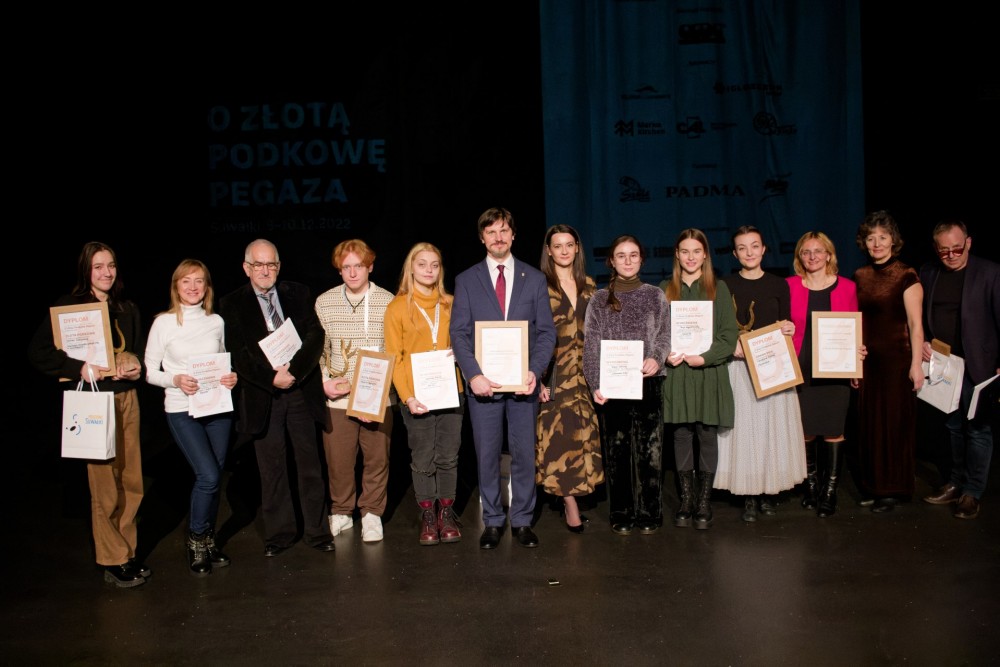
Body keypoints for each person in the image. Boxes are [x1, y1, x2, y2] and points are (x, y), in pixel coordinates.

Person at [28, 242, 149, 588]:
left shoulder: (126, 307)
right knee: (104, 485)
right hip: (95, 402)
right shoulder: (70, 307)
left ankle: (127, 552)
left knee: (131, 481)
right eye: (98, 267)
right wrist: (76, 367)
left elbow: (137, 352)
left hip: (127, 399)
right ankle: (112, 559)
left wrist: (134, 365)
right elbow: (38, 351)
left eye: (111, 265)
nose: (106, 273)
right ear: (86, 270)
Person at [218, 239, 334, 556]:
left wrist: (293, 371)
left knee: (309, 464)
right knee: (272, 468)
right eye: (258, 264)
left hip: (299, 389)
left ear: (279, 266)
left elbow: (315, 335)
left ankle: (317, 531)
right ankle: (280, 534)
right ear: (246, 268)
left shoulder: (298, 293)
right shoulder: (231, 303)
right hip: (263, 394)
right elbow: (239, 354)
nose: (265, 270)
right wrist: (272, 378)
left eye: (271, 264)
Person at [450, 207, 556, 549]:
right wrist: (473, 375)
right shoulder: (467, 280)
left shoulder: (534, 278)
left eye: (504, 230)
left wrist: (534, 371)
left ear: (513, 235)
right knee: (487, 454)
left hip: (524, 383)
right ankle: (493, 520)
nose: (498, 237)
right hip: (484, 387)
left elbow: (546, 333)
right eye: (491, 232)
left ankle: (522, 520)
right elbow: (459, 333)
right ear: (482, 238)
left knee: (524, 454)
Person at [144, 259, 239, 575]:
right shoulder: (164, 323)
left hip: (216, 408)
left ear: (207, 287)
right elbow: (149, 372)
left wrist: (230, 377)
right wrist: (175, 379)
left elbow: (223, 362)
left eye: (199, 281)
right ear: (176, 286)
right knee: (208, 475)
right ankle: (197, 540)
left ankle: (208, 540)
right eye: (186, 281)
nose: (193, 287)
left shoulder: (216, 321)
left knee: (215, 476)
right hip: (182, 409)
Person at [715, 226, 806, 522]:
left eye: (755, 246)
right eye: (742, 248)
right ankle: (749, 495)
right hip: (739, 367)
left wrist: (789, 327)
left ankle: (769, 491)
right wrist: (731, 346)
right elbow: (719, 328)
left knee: (771, 428)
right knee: (744, 430)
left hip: (773, 366)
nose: (749, 252)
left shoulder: (779, 284)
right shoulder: (724, 285)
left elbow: (785, 322)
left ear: (764, 249)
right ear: (734, 253)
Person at [583, 234, 670, 534]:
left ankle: (649, 512)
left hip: (649, 381)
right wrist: (595, 383)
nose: (628, 260)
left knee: (650, 451)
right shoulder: (599, 299)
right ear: (611, 261)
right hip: (613, 385)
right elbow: (591, 346)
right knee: (617, 452)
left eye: (633, 255)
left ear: (642, 260)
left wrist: (657, 358)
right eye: (621, 255)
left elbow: (665, 335)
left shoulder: (655, 295)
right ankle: (621, 511)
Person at [315, 239, 395, 544]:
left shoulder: (388, 301)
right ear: (339, 270)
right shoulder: (325, 302)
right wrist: (324, 382)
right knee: (338, 461)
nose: (352, 273)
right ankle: (342, 511)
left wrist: (379, 392)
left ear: (369, 267)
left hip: (378, 397)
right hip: (338, 397)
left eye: (358, 266)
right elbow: (318, 351)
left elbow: (394, 350)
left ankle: (372, 513)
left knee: (377, 458)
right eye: (346, 267)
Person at [384, 242, 464, 545]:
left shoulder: (451, 303)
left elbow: (465, 341)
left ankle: (447, 513)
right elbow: (395, 358)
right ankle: (428, 515)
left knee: (448, 456)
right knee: (422, 458)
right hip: (416, 396)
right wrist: (407, 397)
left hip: (451, 392)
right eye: (422, 264)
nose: (429, 270)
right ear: (411, 268)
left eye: (434, 264)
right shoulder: (397, 307)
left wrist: (460, 353)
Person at [920, 220, 1000, 520]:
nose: (951, 256)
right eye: (945, 251)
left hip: (980, 365)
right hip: (945, 365)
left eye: (957, 249)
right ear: (936, 249)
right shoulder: (929, 272)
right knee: (952, 427)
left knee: (978, 429)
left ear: (968, 242)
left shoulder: (990, 272)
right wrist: (924, 341)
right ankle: (955, 482)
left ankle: (972, 492)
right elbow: (922, 315)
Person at [662, 229, 738, 530]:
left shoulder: (719, 288)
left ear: (705, 254)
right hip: (678, 374)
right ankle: (686, 500)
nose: (690, 257)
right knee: (681, 435)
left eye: (696, 251)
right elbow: (658, 335)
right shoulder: (665, 289)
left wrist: (704, 358)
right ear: (677, 255)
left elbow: (728, 337)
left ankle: (704, 501)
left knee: (706, 434)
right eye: (685, 251)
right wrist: (665, 353)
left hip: (707, 373)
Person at [852, 212, 925, 513]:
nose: (877, 243)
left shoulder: (906, 275)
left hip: (897, 361)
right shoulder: (860, 275)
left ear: (893, 241)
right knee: (870, 425)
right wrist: (852, 363)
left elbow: (916, 325)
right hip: (869, 361)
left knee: (893, 425)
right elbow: (855, 322)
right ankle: (873, 485)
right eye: (871, 238)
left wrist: (916, 364)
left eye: (883, 237)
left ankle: (892, 489)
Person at [787, 231, 862, 518]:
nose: (813, 257)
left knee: (833, 430)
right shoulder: (790, 285)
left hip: (835, 369)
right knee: (805, 430)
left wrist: (857, 358)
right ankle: (811, 487)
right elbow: (781, 322)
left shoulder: (848, 287)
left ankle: (830, 492)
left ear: (829, 255)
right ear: (800, 256)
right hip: (801, 368)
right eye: (806, 252)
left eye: (818, 251)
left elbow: (854, 328)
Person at [536, 225, 604, 533]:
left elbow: (600, 333)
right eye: (557, 246)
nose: (564, 251)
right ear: (548, 251)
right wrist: (536, 378)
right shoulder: (540, 286)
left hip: (585, 376)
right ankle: (570, 505)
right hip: (554, 375)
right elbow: (530, 335)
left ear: (577, 248)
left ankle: (574, 498)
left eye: (569, 245)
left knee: (582, 438)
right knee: (558, 441)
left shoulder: (589, 285)